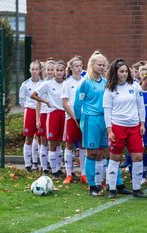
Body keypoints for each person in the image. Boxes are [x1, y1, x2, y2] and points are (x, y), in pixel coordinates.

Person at [104, 58, 147, 199]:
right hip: (117, 127)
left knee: (138, 156)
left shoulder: (134, 86)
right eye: (121, 71)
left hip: (134, 127)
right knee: (115, 158)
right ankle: (112, 189)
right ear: (115, 73)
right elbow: (107, 111)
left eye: (125, 71)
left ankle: (137, 189)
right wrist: (109, 130)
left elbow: (141, 106)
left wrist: (142, 123)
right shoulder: (110, 90)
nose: (123, 74)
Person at [73, 51, 108, 196]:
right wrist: (80, 119)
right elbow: (77, 104)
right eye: (99, 65)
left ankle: (102, 183)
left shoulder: (105, 82)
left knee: (105, 152)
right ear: (92, 65)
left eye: (104, 65)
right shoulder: (85, 82)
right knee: (92, 152)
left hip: (104, 119)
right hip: (90, 119)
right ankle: (92, 186)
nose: (102, 67)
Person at [31, 60, 66, 179]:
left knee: (59, 143)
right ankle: (52, 170)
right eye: (57, 70)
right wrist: (45, 101)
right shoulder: (48, 84)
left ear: (64, 71)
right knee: (50, 142)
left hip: (64, 114)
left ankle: (58, 168)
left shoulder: (67, 83)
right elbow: (33, 95)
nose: (59, 72)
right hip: (52, 114)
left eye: (61, 70)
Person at [61, 56, 86, 184]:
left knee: (83, 145)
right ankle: (69, 174)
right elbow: (65, 103)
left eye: (81, 65)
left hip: (84, 117)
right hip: (71, 118)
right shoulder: (67, 83)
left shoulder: (85, 81)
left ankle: (83, 173)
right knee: (69, 145)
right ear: (71, 68)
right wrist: (73, 117)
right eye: (76, 66)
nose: (79, 68)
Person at [19, 60, 42, 172]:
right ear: (29, 70)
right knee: (28, 137)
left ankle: (35, 162)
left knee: (38, 137)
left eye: (36, 69)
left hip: (40, 111)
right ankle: (27, 164)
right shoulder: (25, 84)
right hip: (29, 111)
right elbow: (22, 100)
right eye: (32, 69)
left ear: (40, 70)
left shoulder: (43, 83)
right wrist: (28, 108)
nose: (34, 71)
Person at [36, 59, 55, 174]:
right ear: (45, 71)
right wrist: (37, 118)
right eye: (48, 69)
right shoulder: (41, 84)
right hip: (44, 114)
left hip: (54, 114)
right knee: (44, 141)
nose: (50, 72)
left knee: (55, 142)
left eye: (52, 69)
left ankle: (55, 166)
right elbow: (37, 103)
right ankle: (44, 167)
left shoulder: (60, 83)